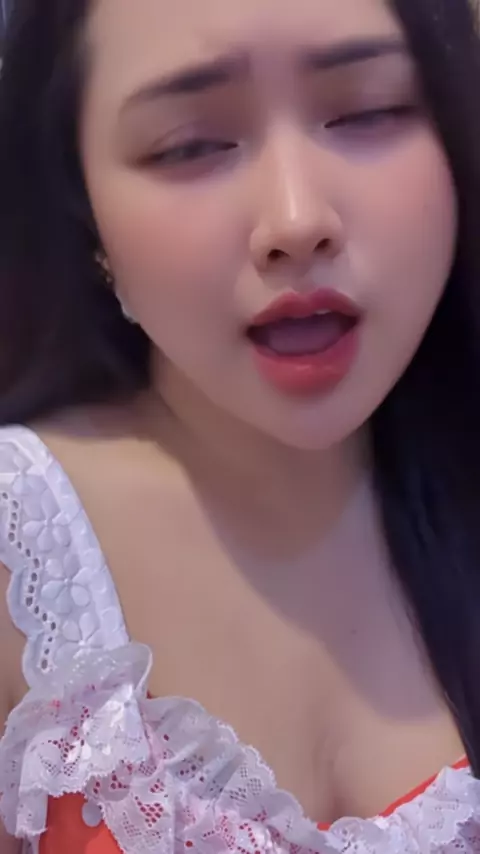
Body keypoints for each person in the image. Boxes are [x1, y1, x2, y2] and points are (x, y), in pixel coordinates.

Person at [0, 0, 480, 851]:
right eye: (190, 146)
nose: (297, 221)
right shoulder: (28, 557)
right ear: (83, 211)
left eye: (366, 110)